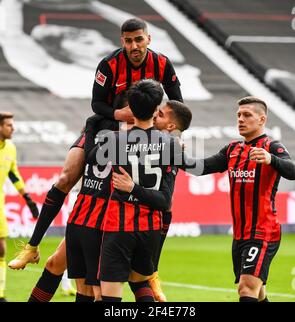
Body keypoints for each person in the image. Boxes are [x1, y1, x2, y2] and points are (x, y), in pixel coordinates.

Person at [8, 19, 182, 302]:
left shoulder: (163, 64)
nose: (134, 46)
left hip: (139, 132)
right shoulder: (109, 64)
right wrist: (119, 116)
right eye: (129, 41)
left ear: (148, 39)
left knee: (162, 202)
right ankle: (32, 245)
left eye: (139, 40)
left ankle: (151, 272)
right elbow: (96, 105)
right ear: (122, 41)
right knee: (66, 178)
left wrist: (176, 135)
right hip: (106, 126)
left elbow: (177, 103)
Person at [185, 97, 295, 302]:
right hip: (240, 234)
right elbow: (200, 168)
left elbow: (293, 171)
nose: (240, 119)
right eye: (238, 115)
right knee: (257, 291)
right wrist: (177, 156)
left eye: (247, 115)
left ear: (262, 119)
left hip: (263, 231)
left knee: (247, 289)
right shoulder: (232, 150)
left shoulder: (272, 147)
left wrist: (271, 159)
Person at [85, 79, 188, 302]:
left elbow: (90, 157)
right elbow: (164, 201)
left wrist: (93, 123)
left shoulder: (114, 141)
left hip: (118, 228)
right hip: (149, 230)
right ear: (156, 109)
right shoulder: (170, 145)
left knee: (110, 299)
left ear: (130, 108)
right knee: (141, 284)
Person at [112, 100, 192, 301]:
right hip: (138, 216)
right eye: (156, 112)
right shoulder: (163, 141)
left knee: (108, 283)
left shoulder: (169, 144)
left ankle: (153, 271)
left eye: (161, 114)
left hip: (139, 217)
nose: (156, 115)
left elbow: (166, 200)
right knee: (136, 280)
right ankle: (153, 273)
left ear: (171, 126)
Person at [0, 111, 39, 302]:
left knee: (1, 249)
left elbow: (13, 174)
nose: (13, 128)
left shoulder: (10, 148)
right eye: (9, 125)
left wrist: (28, 199)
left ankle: (0, 294)